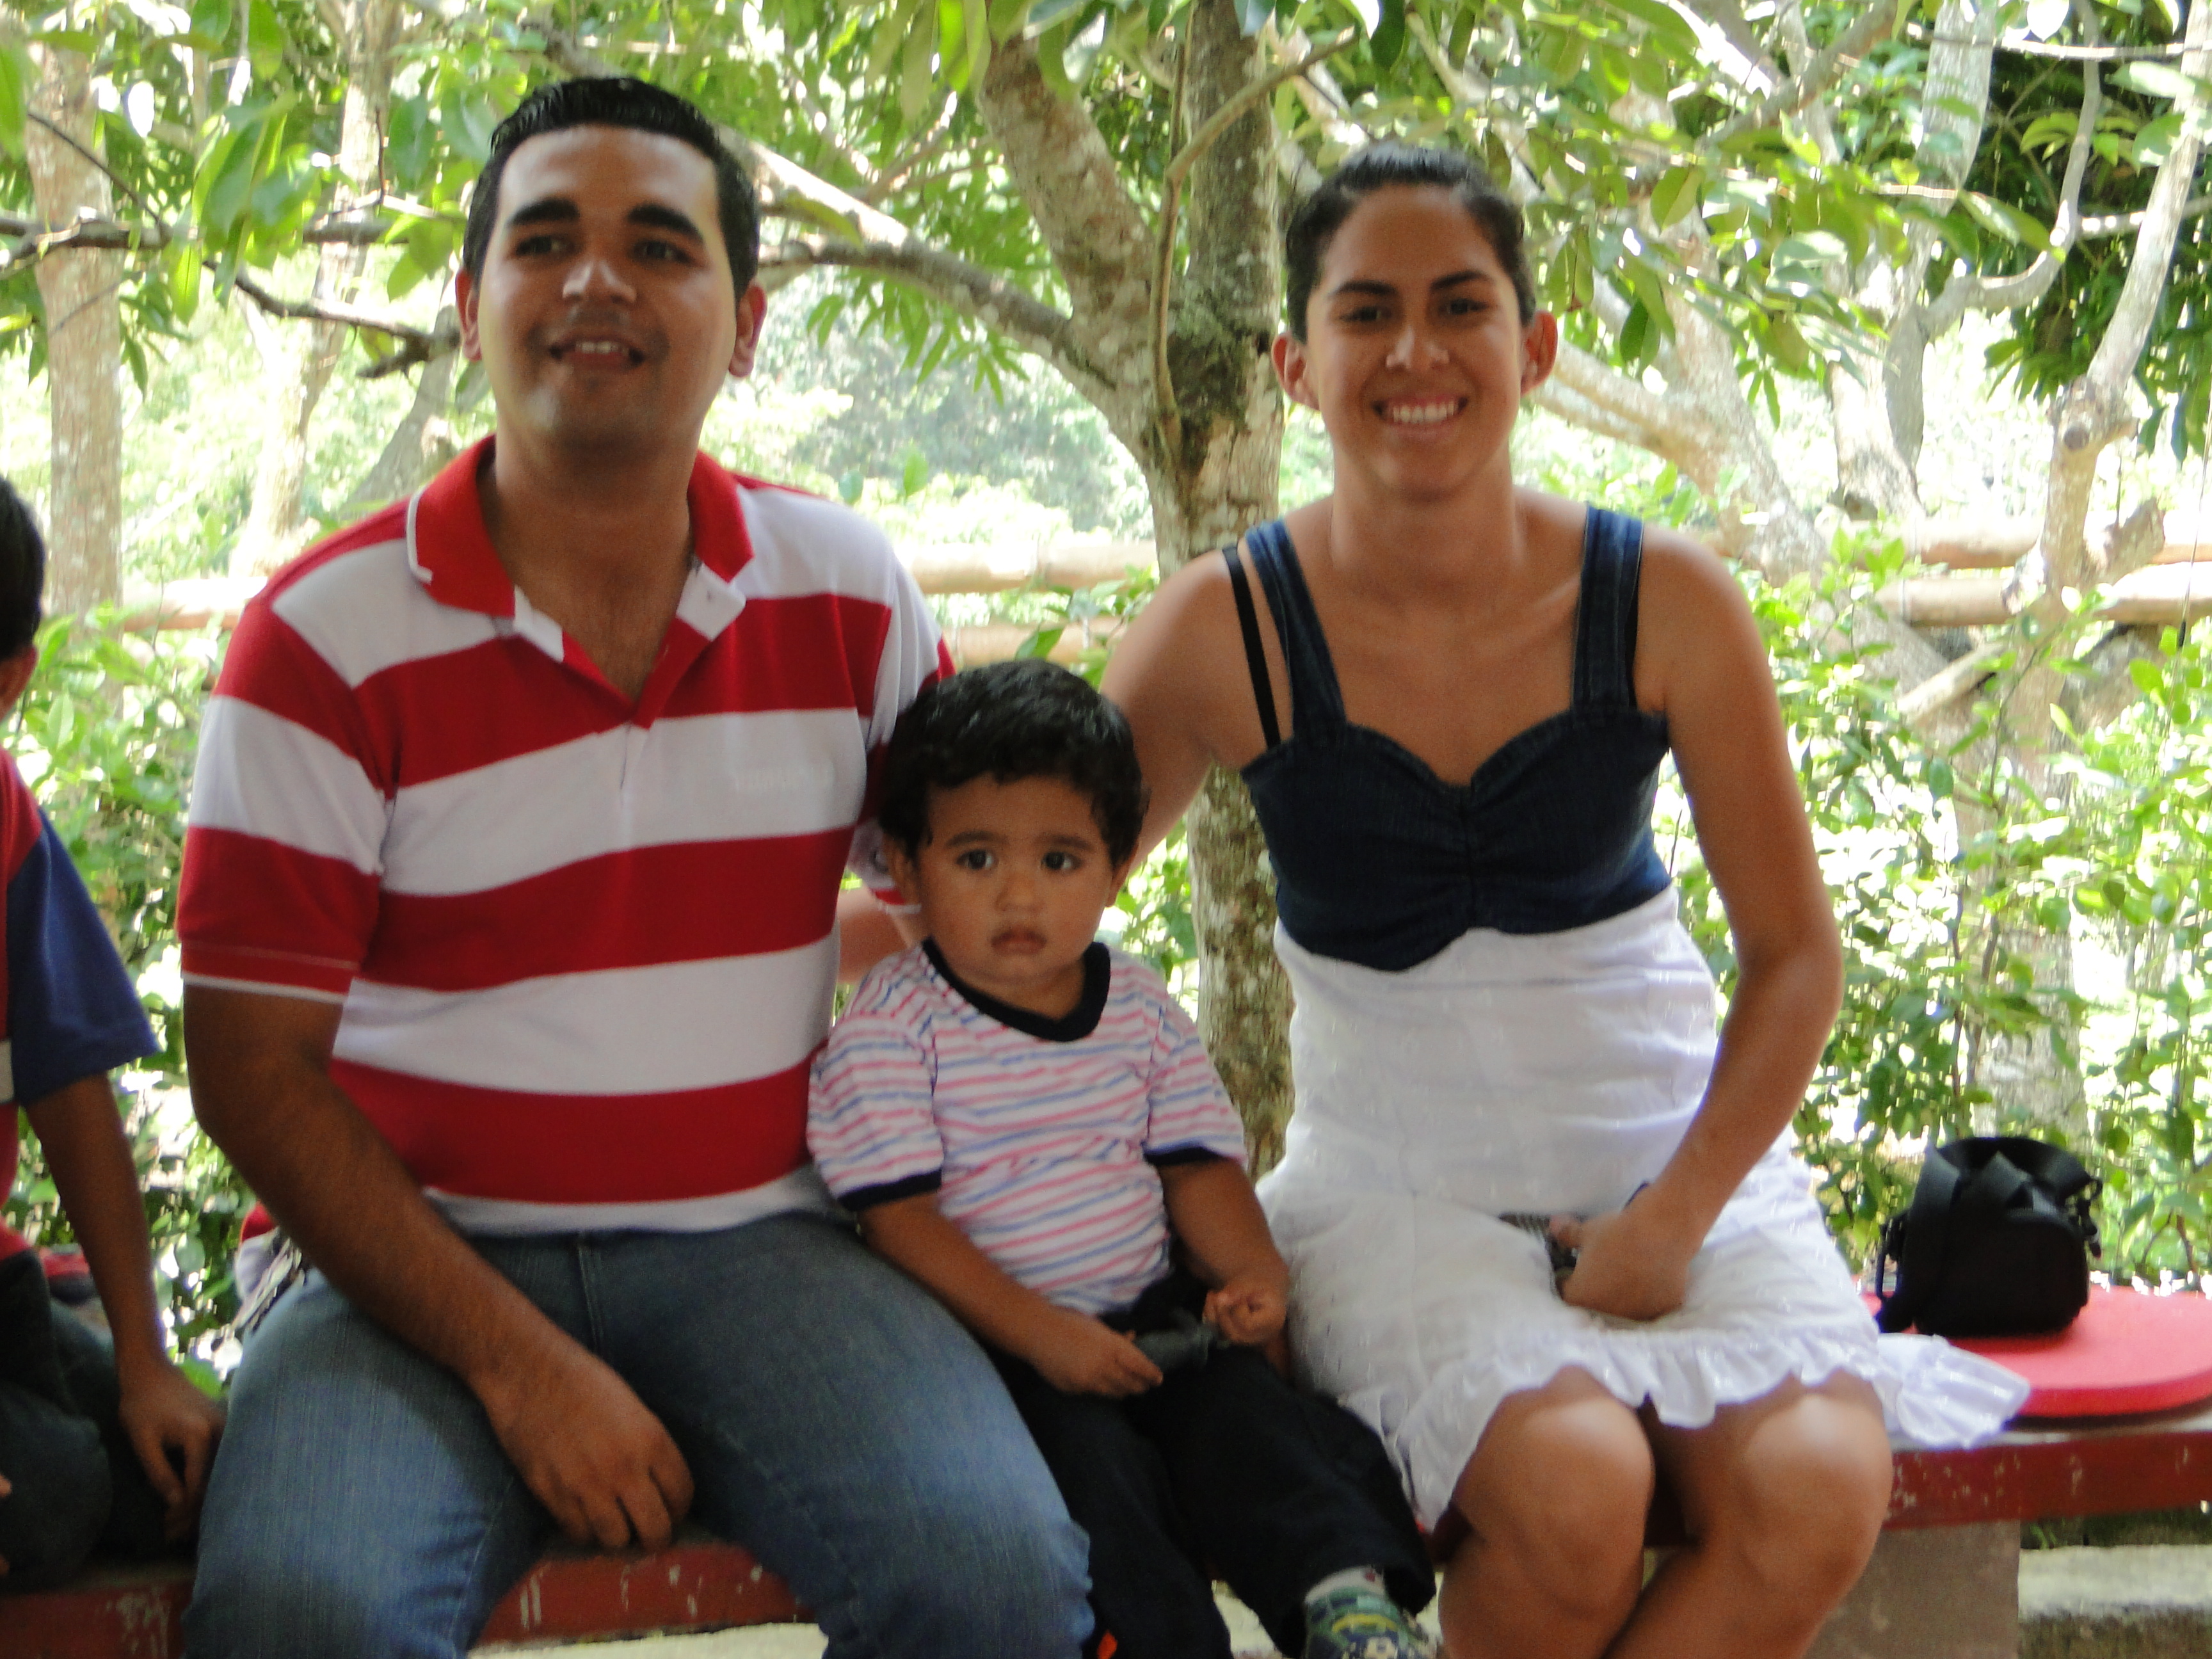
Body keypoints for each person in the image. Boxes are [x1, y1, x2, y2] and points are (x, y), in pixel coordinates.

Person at [177, 78, 1089, 1658]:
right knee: (298, 1619)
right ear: (470, 303)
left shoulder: (850, 596)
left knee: (997, 1582)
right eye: (545, 243)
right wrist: (522, 1366)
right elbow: (251, 1072)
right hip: (404, 1266)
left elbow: (972, 923)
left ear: (746, 325)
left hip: (770, 1242)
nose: (596, 280)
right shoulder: (321, 642)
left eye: (660, 248)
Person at [1099, 144, 2028, 1659]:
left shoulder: (1669, 598)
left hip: (1679, 1170)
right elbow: (1023, 889)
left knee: (1816, 1490)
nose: (1416, 352)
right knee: (1576, 1494)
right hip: (1403, 1196)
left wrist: (1675, 1217)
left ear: (1532, 347)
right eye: (1367, 313)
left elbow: (1796, 957)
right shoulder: (1223, 628)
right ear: (1295, 363)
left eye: (1461, 306)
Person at [808, 659, 1434, 1659]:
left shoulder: (1136, 1006)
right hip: (1003, 1352)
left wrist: (1253, 1276)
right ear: (905, 867)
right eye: (976, 858)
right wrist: (1045, 1336)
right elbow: (900, 1223)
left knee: (1258, 1427)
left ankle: (1349, 1606)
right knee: (1095, 1487)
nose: (1020, 894)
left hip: (1157, 1322)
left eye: (1061, 861)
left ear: (1115, 869)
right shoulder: (895, 1027)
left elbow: (1197, 1169)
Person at [0, 479, 225, 1591]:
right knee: (48, 1500)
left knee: (185, 1479)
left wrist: (143, 1358)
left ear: (8, 683)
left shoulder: (6, 830)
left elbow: (70, 1087)